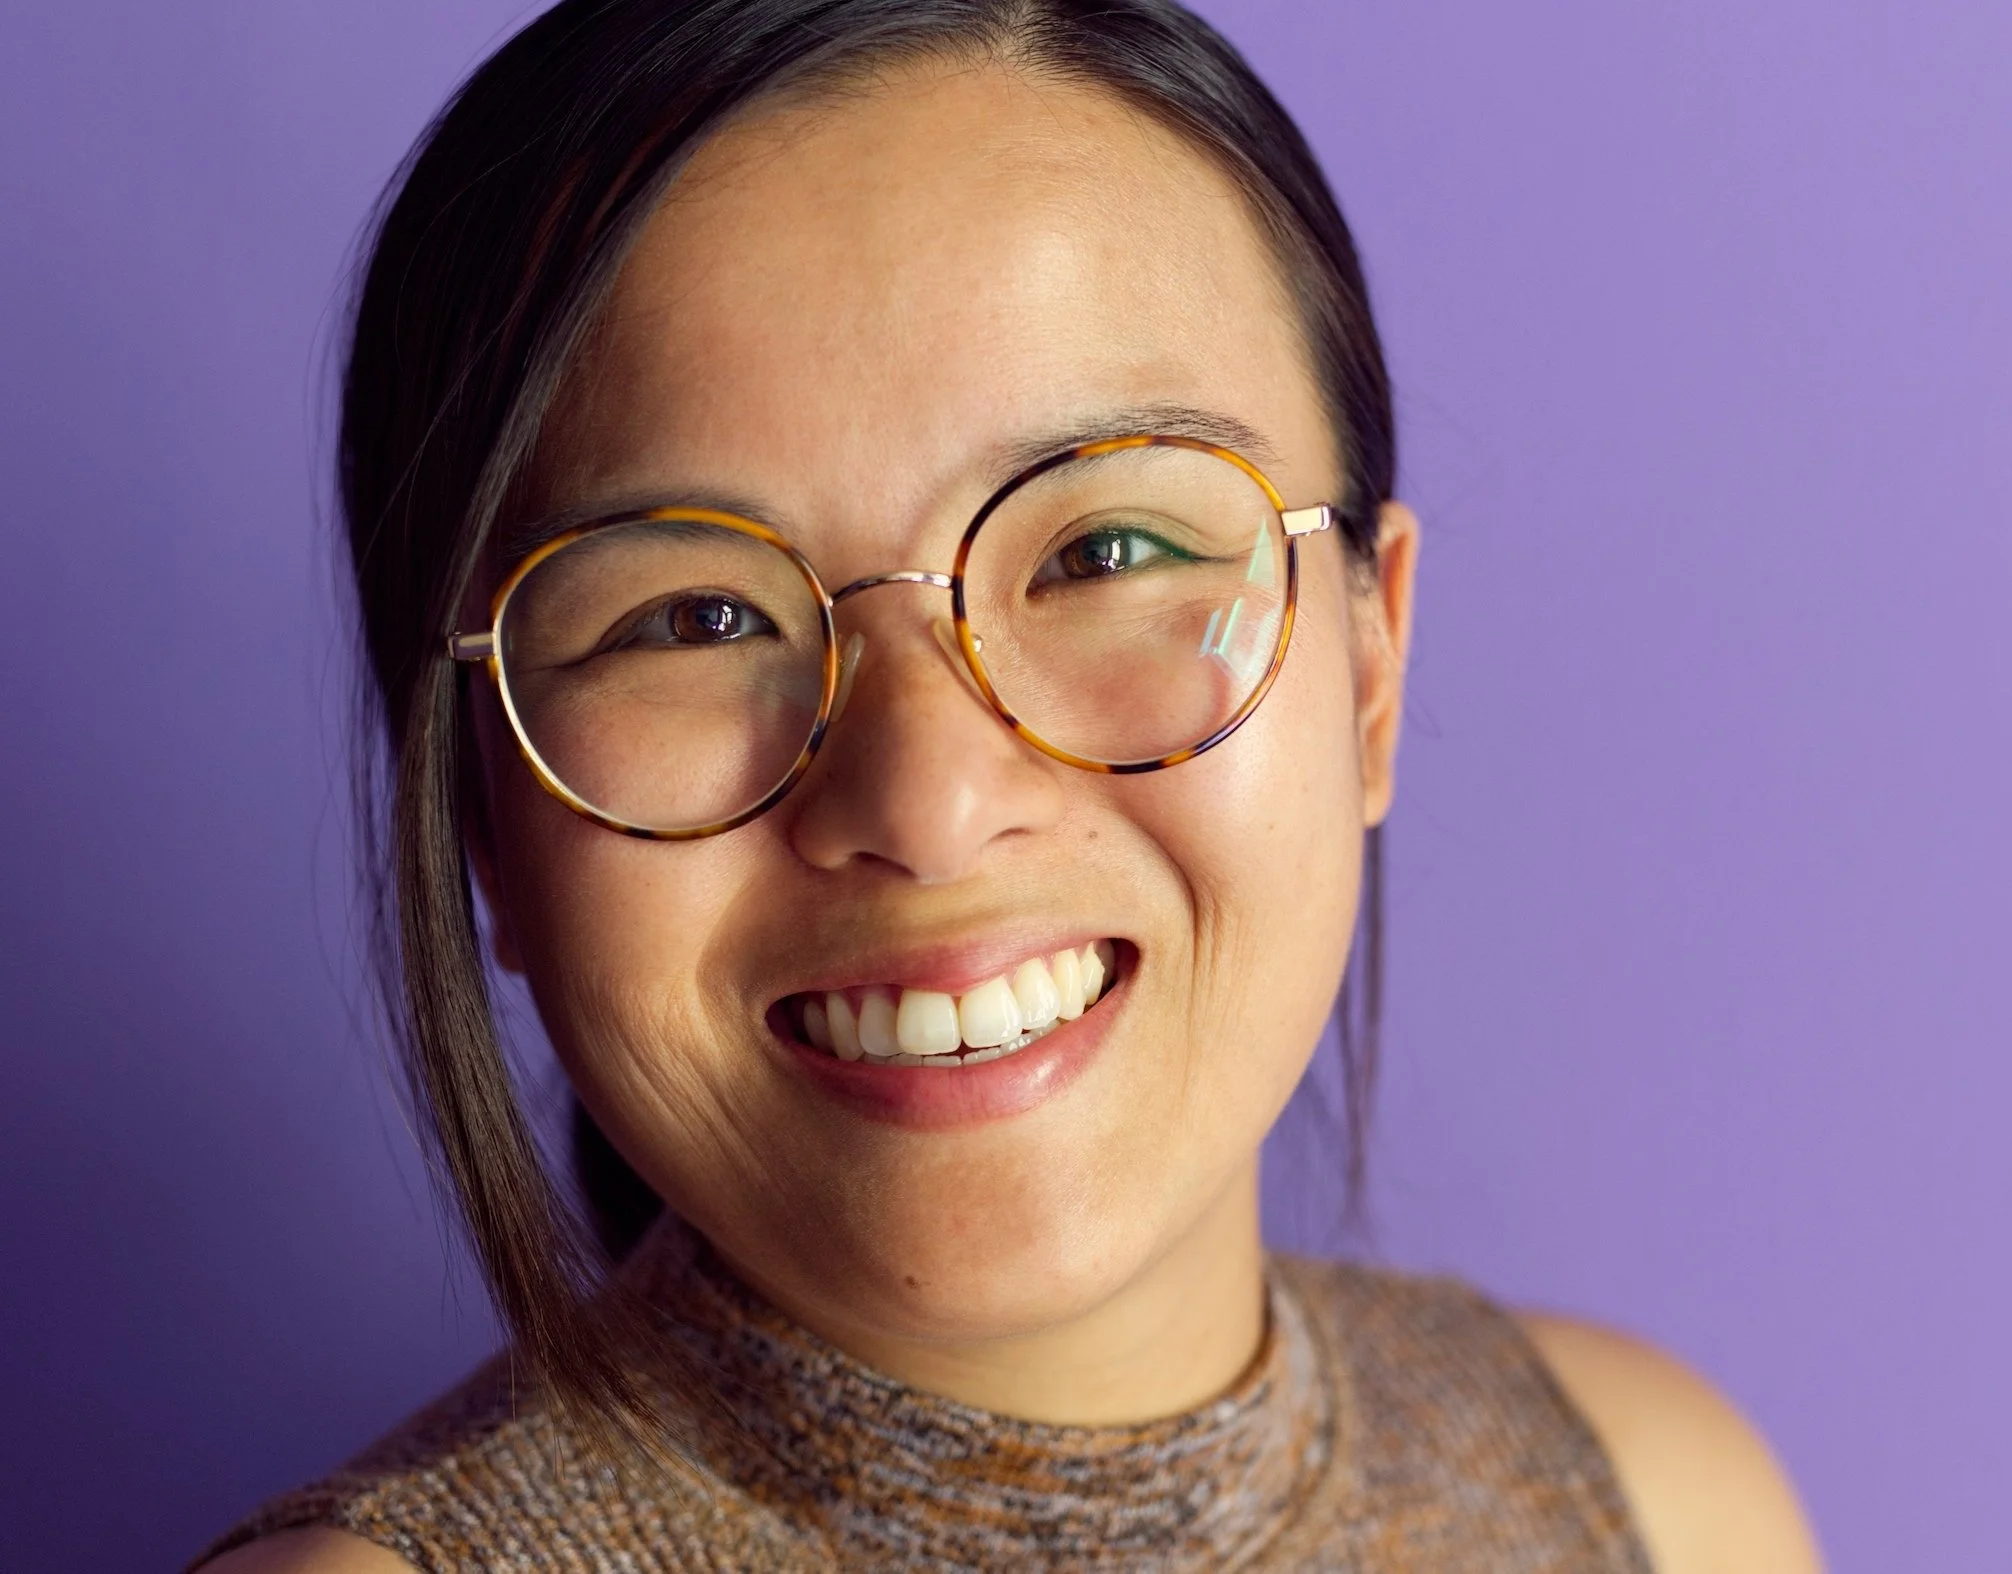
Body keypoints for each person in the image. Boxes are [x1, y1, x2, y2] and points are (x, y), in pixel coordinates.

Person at [196, 1, 1820, 1568]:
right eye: (692, 616)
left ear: (1370, 672)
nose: (927, 799)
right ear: (482, 816)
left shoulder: (1648, 1501)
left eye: (1104, 549)